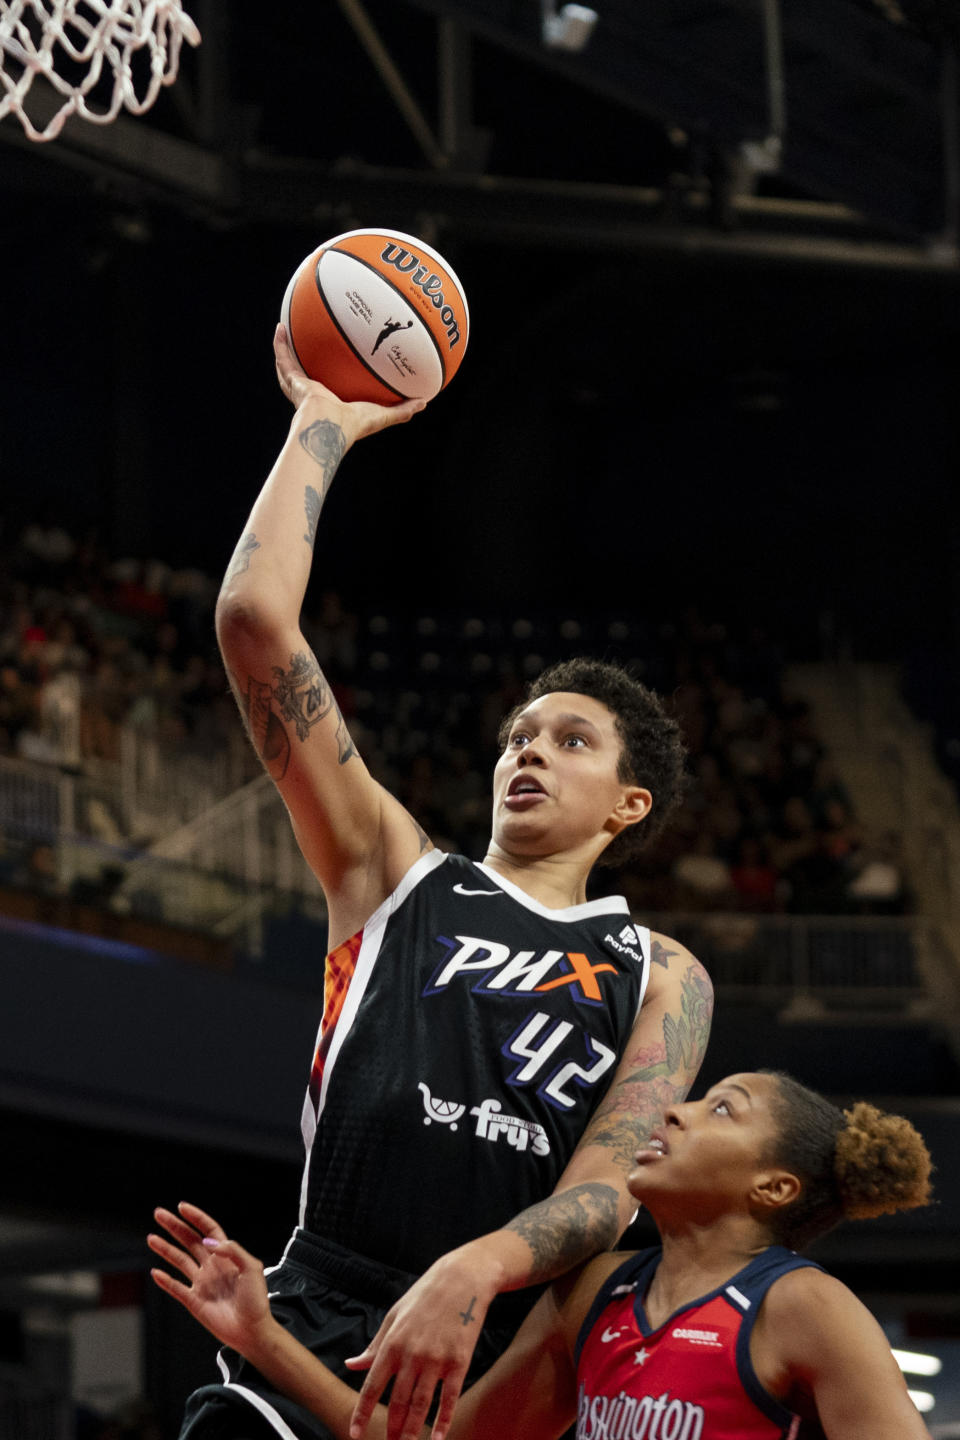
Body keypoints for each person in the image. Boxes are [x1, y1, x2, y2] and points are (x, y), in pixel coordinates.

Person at [188, 323, 712, 1440]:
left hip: (494, 1355)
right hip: (311, 1310)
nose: (528, 750)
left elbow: (614, 1188)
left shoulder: (658, 971)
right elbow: (253, 624)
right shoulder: (395, 872)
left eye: (571, 741)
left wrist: (474, 1269)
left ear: (632, 807)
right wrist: (323, 423)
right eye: (519, 734)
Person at [150, 1069, 934, 1440]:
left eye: (721, 1108)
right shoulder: (595, 1290)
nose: (676, 1109)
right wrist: (261, 1338)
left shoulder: (804, 1307)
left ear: (772, 1188)